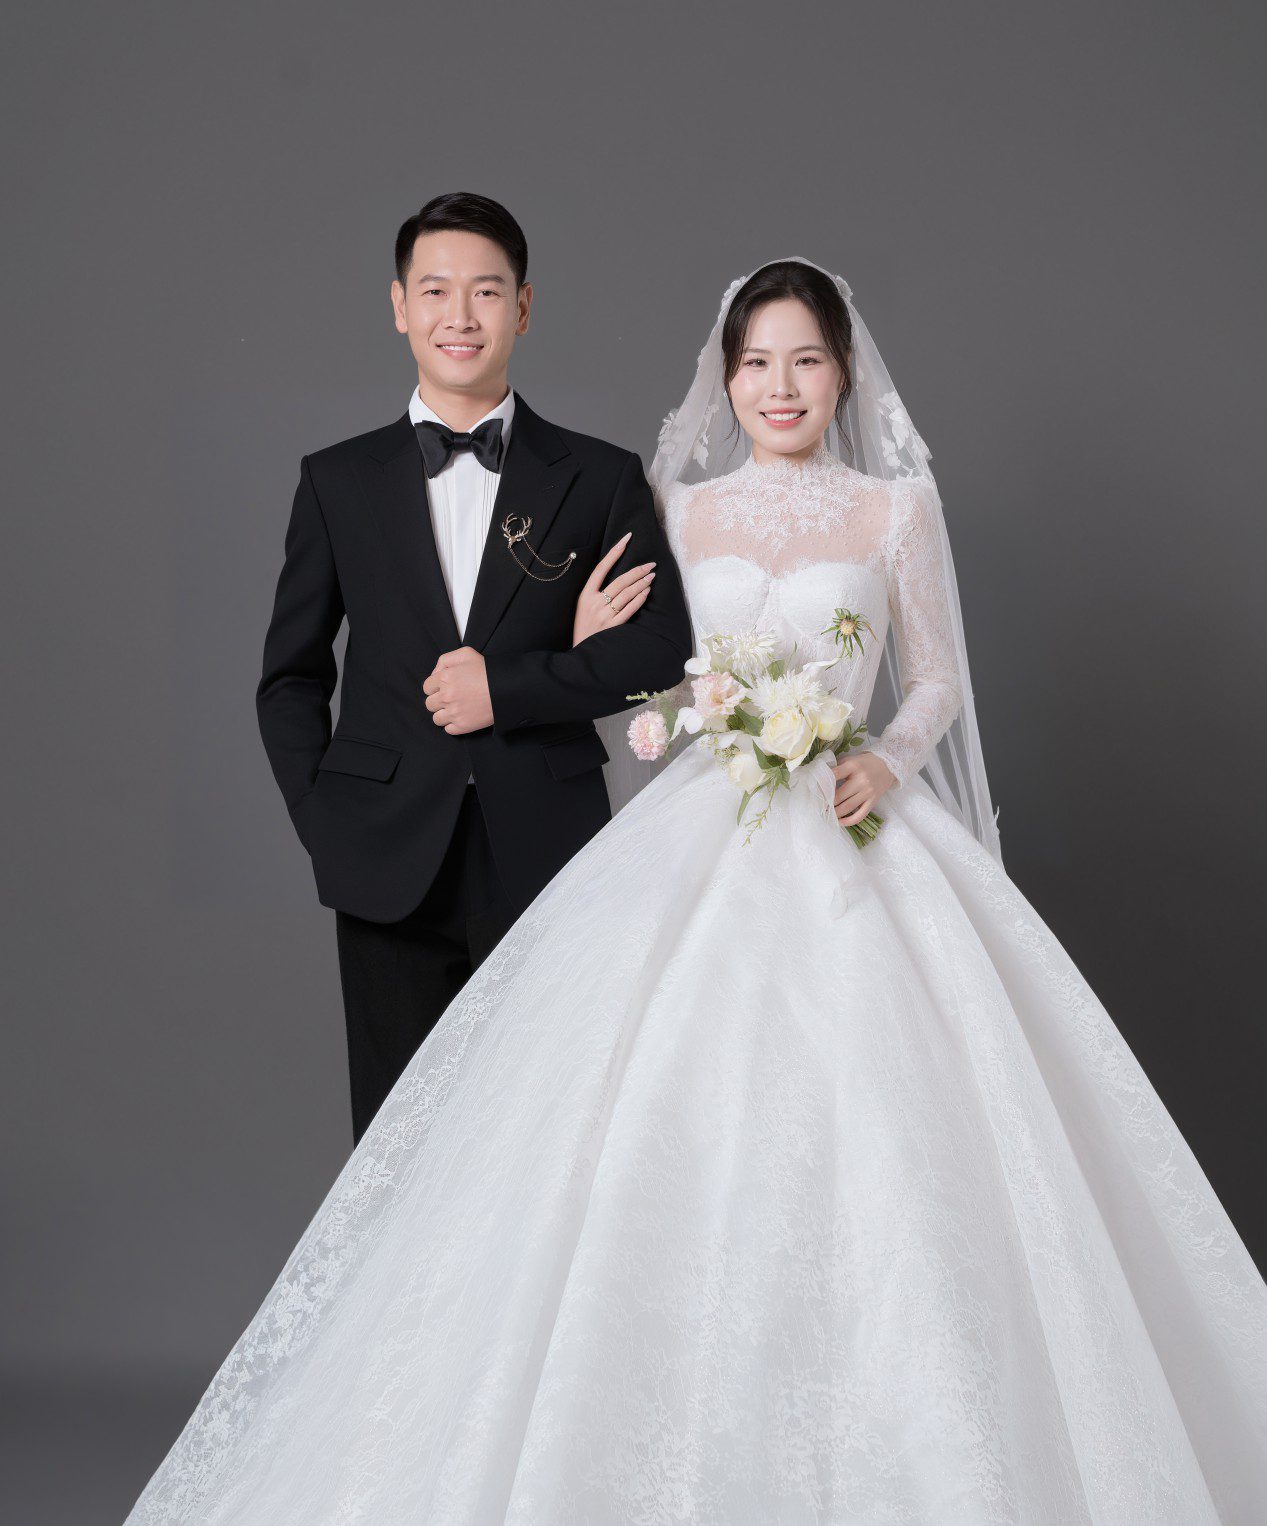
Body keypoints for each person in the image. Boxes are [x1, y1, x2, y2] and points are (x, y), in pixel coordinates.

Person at [128, 260, 1267, 1524]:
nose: (780, 386)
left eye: (805, 361)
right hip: (701, 827)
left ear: (842, 373)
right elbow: (646, 670)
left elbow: (940, 676)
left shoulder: (894, 508)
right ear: (725, 379)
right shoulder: (674, 502)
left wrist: (885, 757)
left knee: (894, 1141)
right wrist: (627, 676)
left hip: (856, 822)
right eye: (756, 363)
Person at [255, 191, 693, 1142]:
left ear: (522, 308)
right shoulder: (336, 480)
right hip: (381, 852)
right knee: (396, 1144)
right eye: (435, 291)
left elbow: (661, 648)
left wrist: (511, 686)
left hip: (549, 847)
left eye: (486, 292)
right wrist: (322, 821)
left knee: (541, 1138)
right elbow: (289, 678)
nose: (460, 316)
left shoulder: (598, 475)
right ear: (399, 306)